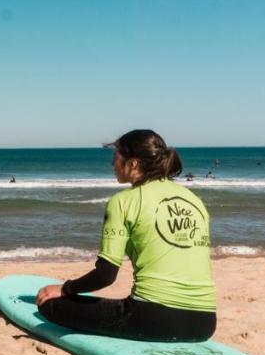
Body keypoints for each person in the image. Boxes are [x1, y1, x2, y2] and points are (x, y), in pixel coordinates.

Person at [35, 129, 215, 342]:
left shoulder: (123, 201)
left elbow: (106, 276)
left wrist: (65, 289)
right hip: (204, 323)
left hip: (153, 318)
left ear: (133, 164)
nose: (112, 164)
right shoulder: (195, 201)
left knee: (49, 304)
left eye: (115, 157)